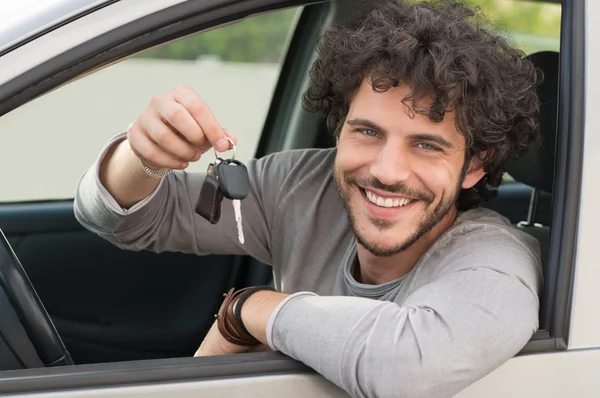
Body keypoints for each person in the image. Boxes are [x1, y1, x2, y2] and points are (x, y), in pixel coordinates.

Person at [74, 0, 543, 396]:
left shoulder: (495, 260)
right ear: (338, 128)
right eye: (367, 132)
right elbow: (123, 219)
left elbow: (405, 365)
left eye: (427, 145)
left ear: (476, 164)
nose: (386, 171)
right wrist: (143, 154)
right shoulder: (303, 185)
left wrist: (247, 310)